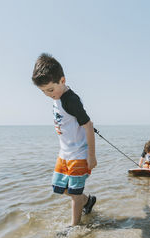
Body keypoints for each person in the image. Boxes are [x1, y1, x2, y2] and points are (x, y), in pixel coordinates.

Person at [32, 53, 97, 227]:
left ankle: (74, 227)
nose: (47, 94)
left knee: (74, 195)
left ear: (62, 80)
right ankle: (87, 201)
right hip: (65, 153)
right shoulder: (57, 97)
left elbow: (89, 125)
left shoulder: (71, 100)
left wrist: (91, 156)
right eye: (43, 91)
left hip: (79, 153)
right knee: (60, 188)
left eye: (50, 90)